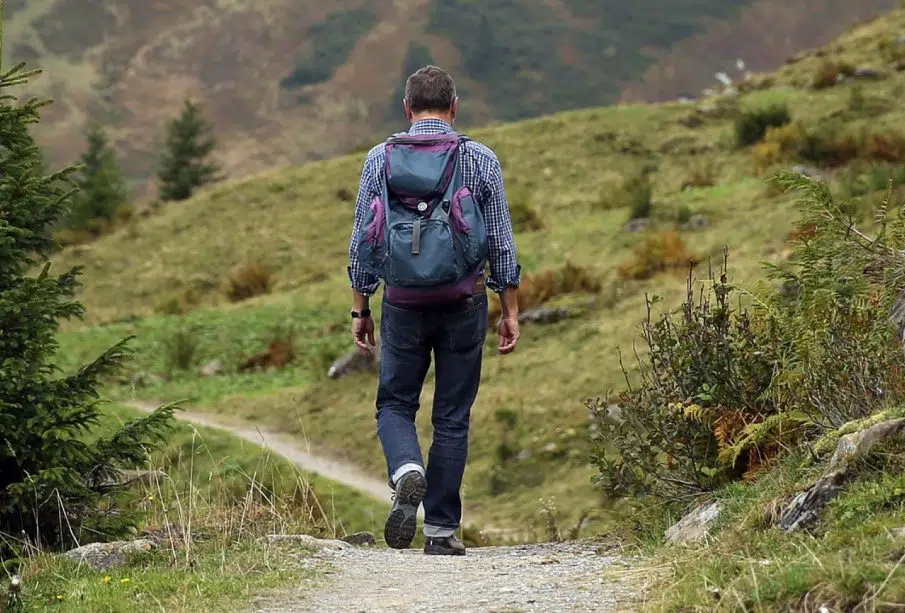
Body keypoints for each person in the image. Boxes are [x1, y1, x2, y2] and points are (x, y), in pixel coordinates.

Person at [346, 65, 521, 556]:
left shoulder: (379, 159)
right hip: (464, 300)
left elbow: (363, 238)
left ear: (407, 108)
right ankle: (441, 531)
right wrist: (509, 308)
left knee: (395, 403)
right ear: (454, 106)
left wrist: (361, 307)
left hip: (401, 301)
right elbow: (502, 243)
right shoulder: (480, 159)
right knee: (452, 415)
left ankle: (407, 469)